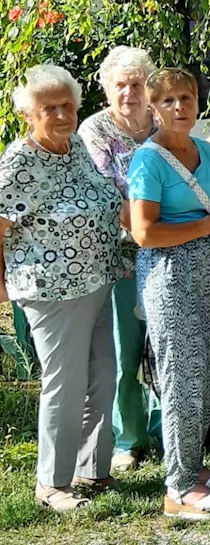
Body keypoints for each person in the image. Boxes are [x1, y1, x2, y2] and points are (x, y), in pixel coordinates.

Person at [0, 65, 124, 511]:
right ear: (29, 114)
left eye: (66, 105)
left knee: (102, 375)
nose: (60, 114)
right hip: (50, 290)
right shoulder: (20, 161)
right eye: (48, 107)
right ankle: (51, 483)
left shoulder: (75, 149)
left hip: (96, 278)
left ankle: (91, 468)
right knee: (64, 383)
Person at [127, 68, 210, 518]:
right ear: (153, 107)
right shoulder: (147, 160)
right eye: (167, 100)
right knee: (179, 377)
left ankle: (190, 464)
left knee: (207, 371)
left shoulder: (206, 151)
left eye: (186, 98)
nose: (178, 107)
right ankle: (178, 489)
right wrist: (205, 227)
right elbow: (144, 232)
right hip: (170, 274)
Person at [77, 46, 160, 473]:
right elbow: (112, 194)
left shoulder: (165, 121)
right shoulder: (95, 130)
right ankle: (129, 438)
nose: (129, 92)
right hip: (122, 256)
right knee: (125, 350)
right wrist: (153, 234)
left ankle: (168, 428)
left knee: (165, 348)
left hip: (171, 253)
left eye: (137, 83)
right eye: (121, 85)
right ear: (108, 90)